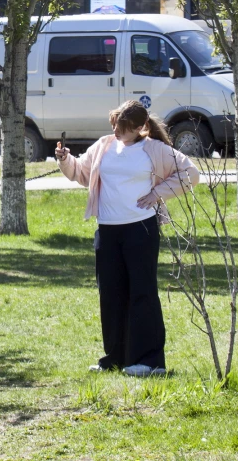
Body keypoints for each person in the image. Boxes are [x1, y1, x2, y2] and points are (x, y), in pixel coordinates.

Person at [55, 100, 200, 377]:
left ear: (140, 128)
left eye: (122, 128)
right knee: (110, 295)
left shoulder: (154, 149)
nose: (116, 131)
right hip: (107, 231)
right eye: (114, 125)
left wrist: (158, 193)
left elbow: (191, 174)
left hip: (141, 230)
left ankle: (150, 361)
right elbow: (81, 173)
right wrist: (64, 159)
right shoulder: (104, 146)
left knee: (142, 294)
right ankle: (115, 358)